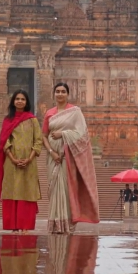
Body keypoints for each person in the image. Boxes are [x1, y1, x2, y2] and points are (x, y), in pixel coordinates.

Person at [42, 82, 99, 234]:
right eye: (57, 91)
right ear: (54, 94)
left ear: (67, 94)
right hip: (52, 156)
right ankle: (55, 224)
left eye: (63, 91)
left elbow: (82, 134)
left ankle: (66, 224)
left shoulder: (75, 112)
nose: (60, 94)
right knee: (54, 189)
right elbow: (44, 136)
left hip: (69, 156)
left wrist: (63, 134)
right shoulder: (49, 113)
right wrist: (51, 152)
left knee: (67, 189)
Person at [0, 89, 42, 234]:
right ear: (13, 102)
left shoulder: (32, 119)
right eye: (17, 99)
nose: (20, 101)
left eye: (23, 99)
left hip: (29, 162)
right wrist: (13, 158)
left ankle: (26, 226)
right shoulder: (8, 120)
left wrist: (29, 158)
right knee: (12, 190)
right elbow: (5, 141)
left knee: (27, 191)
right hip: (11, 162)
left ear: (27, 102)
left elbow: (38, 140)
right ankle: (13, 225)